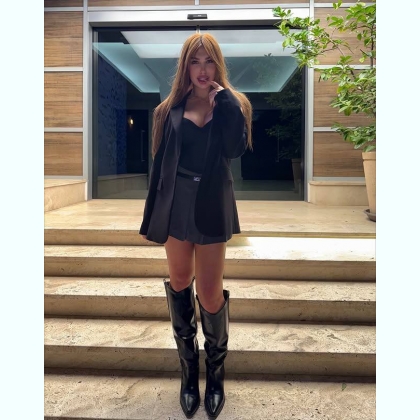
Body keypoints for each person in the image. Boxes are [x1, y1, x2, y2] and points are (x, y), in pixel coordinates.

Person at [139, 32, 252, 419]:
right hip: (176, 204)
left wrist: (226, 103)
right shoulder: (167, 109)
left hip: (212, 204)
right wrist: (153, 214)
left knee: (209, 293)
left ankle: (215, 375)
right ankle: (189, 374)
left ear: (217, 65)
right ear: (185, 66)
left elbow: (235, 149)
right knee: (179, 281)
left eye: (209, 62)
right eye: (194, 62)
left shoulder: (233, 104)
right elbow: (159, 167)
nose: (202, 70)